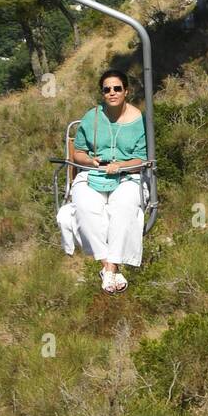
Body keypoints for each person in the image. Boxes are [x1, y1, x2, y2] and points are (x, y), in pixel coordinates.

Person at [63, 69, 148, 293]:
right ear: (102, 93)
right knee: (84, 206)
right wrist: (91, 162)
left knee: (123, 205)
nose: (112, 93)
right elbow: (78, 153)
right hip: (95, 173)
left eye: (117, 88)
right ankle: (109, 268)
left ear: (126, 91)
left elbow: (143, 158)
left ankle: (109, 268)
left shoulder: (139, 120)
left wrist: (121, 165)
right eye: (107, 89)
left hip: (127, 175)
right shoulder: (92, 117)